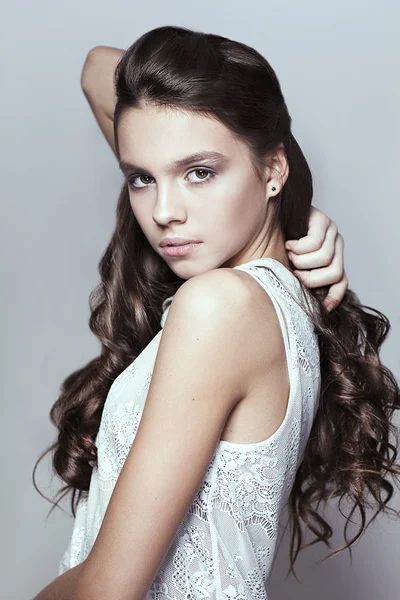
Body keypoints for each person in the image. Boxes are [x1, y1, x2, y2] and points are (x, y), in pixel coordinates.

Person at [32, 26, 400, 600]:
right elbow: (95, 71)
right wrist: (292, 207)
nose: (164, 212)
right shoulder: (273, 300)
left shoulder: (220, 306)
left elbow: (107, 591)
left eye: (199, 172)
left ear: (272, 169)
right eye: (141, 179)